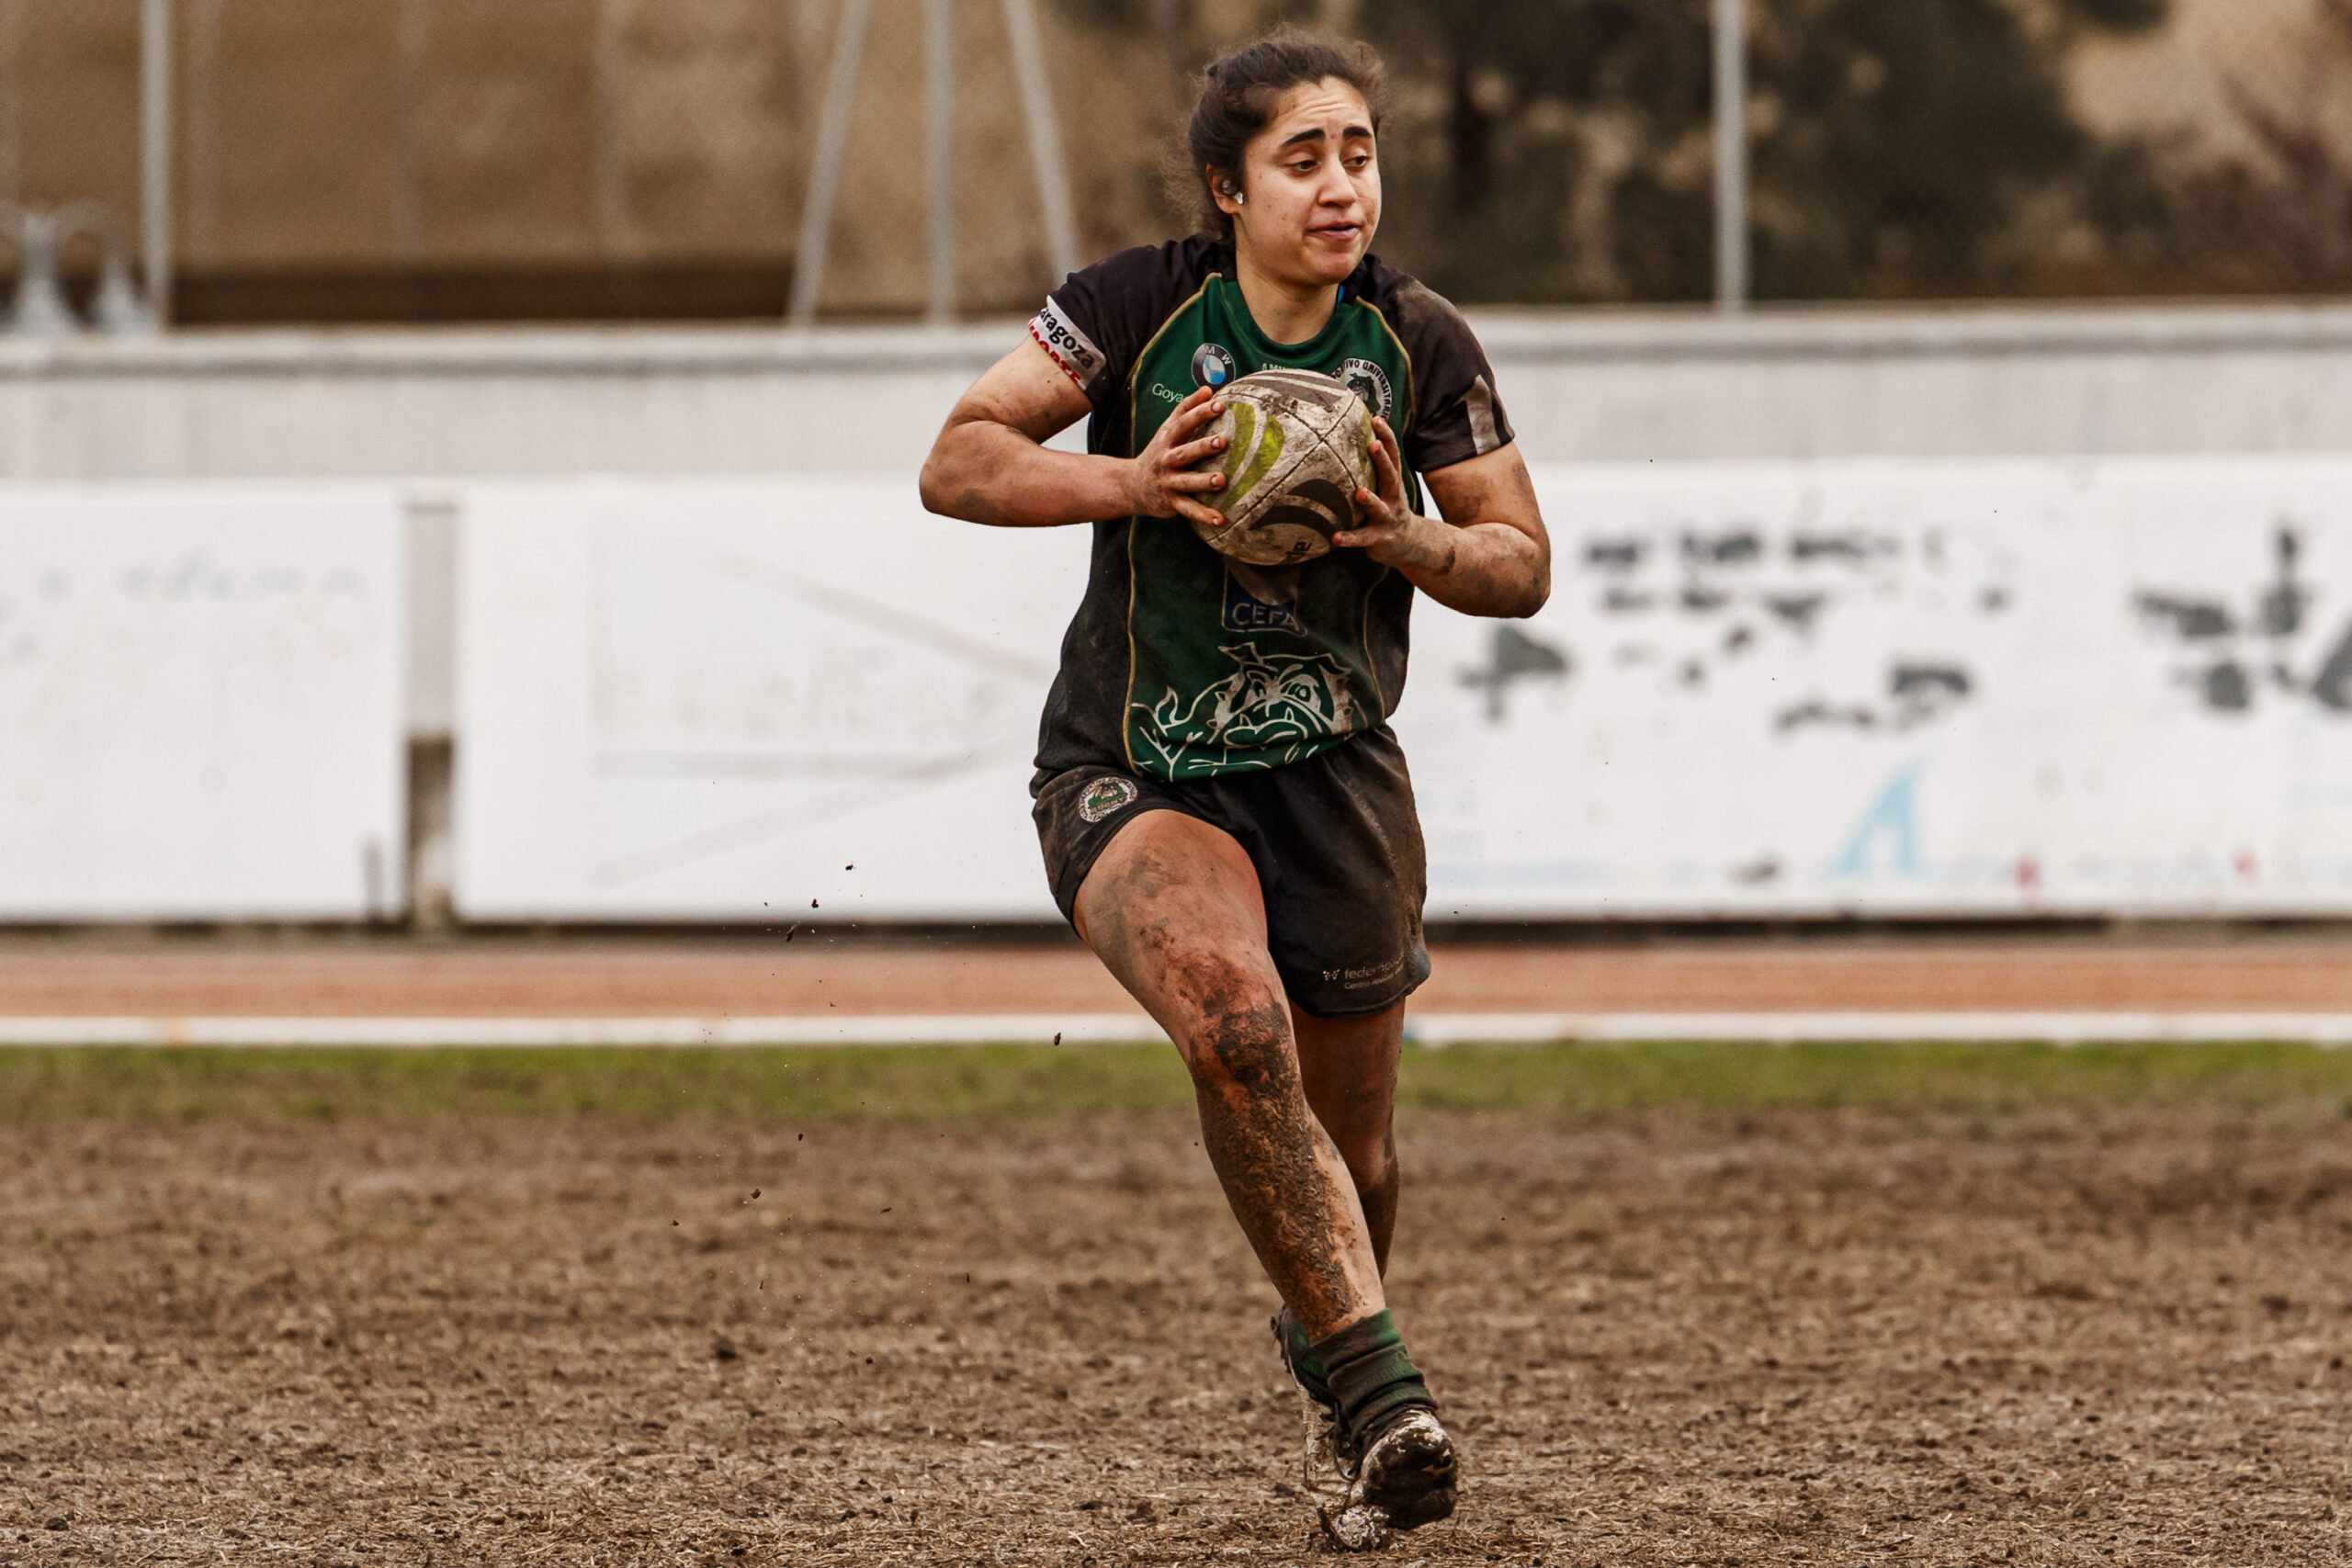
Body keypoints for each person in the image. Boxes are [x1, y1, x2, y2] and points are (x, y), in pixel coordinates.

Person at [919, 27, 1549, 1543]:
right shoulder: (1133, 309)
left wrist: (1414, 544)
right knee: (1233, 1020)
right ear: (1229, 187)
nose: (1343, 187)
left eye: (1360, 154)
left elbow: (1519, 563)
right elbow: (959, 457)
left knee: (1361, 1155)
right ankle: (1390, 1396)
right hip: (1135, 767)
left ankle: (1329, 1351)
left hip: (1331, 774)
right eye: (1304, 159)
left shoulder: (1419, 339)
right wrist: (1134, 480)